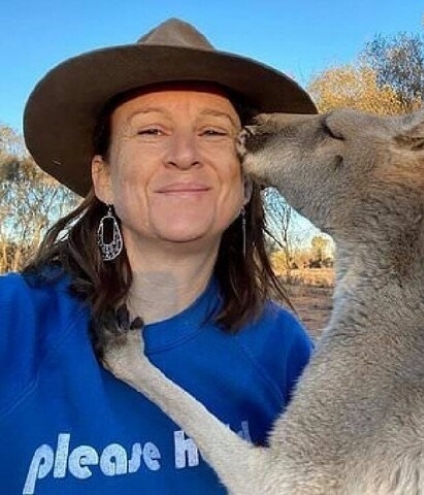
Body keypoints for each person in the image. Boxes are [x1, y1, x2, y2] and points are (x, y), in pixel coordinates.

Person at [1, 19, 317, 494]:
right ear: (103, 177)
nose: (184, 154)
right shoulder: (14, 324)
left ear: (247, 179)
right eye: (150, 130)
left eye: (213, 131)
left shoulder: (284, 352)